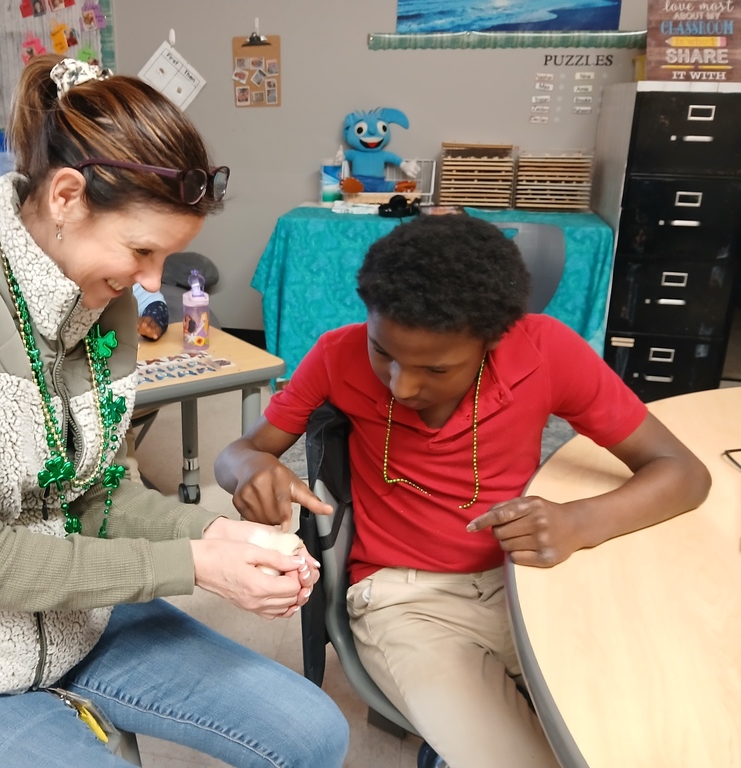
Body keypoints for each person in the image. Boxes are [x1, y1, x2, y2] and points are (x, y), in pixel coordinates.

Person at [0, 54, 348, 767]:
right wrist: (194, 565)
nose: (152, 286)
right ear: (65, 196)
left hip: (67, 618)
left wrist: (220, 536)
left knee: (316, 734)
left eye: (167, 260)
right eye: (141, 251)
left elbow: (98, 492)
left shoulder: (99, 293)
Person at [215, 213, 712, 768]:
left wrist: (578, 522)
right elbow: (237, 452)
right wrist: (251, 469)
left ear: (493, 340)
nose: (401, 385)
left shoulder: (545, 350)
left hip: (525, 580)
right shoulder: (338, 354)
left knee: (650, 727)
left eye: (435, 367)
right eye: (385, 352)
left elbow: (684, 473)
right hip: (403, 601)